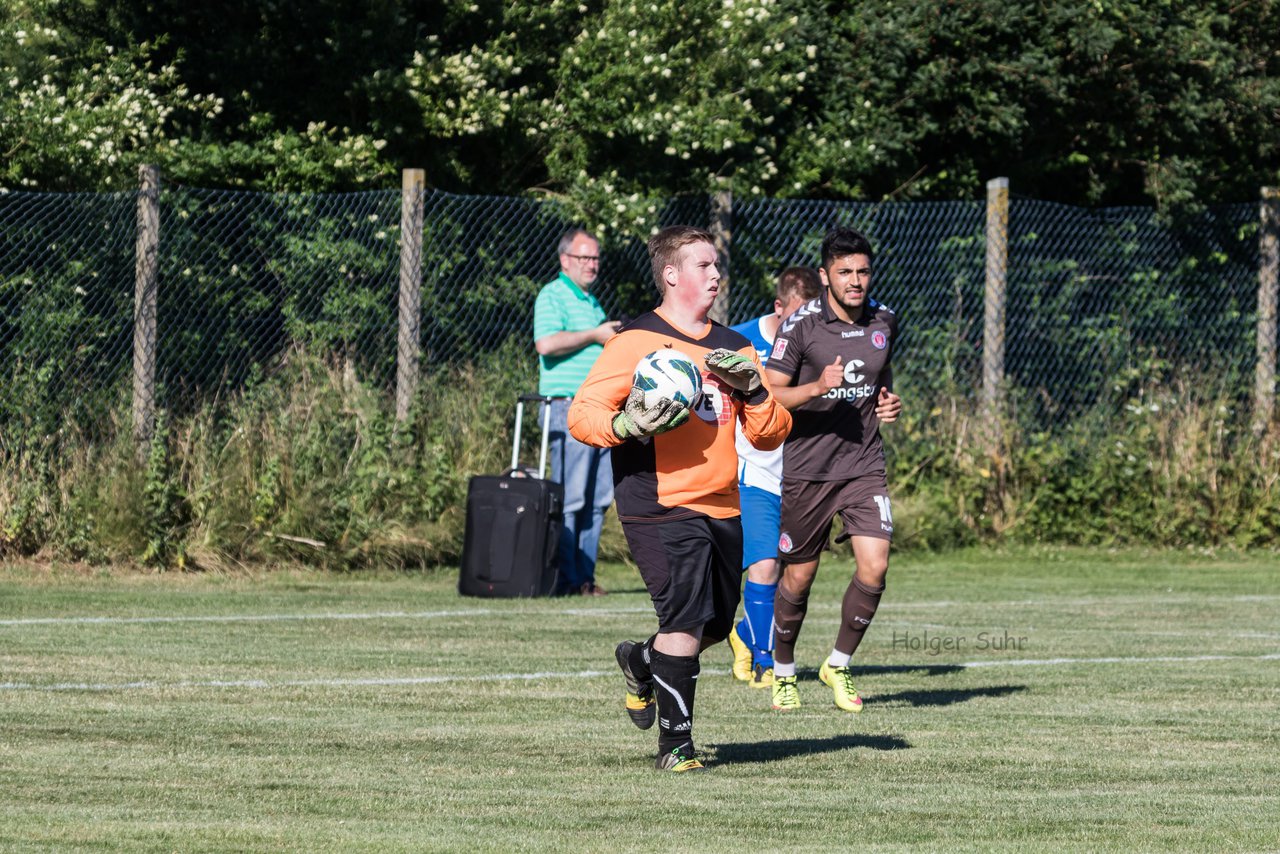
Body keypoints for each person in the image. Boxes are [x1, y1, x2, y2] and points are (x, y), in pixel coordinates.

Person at [568, 226, 792, 771]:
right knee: (686, 622)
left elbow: (771, 433)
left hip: (723, 503)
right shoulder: (635, 341)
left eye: (717, 266)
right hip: (660, 503)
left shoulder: (735, 347)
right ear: (671, 275)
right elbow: (582, 414)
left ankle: (642, 660)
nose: (716, 275)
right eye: (703, 265)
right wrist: (624, 422)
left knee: (713, 625)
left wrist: (756, 392)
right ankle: (676, 749)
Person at [762, 226, 903, 713]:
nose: (856, 281)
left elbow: (881, 376)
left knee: (876, 565)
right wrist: (817, 386)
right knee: (799, 577)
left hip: (864, 464)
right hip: (807, 469)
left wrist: (888, 402)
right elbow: (771, 393)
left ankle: (838, 663)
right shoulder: (801, 325)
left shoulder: (885, 319)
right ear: (825, 276)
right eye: (845, 272)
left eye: (863, 271)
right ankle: (783, 670)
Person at [726, 267, 824, 689]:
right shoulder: (740, 341)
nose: (805, 325)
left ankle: (745, 632)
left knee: (793, 573)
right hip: (755, 471)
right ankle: (765, 661)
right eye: (797, 316)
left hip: (802, 475)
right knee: (764, 565)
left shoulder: (822, 343)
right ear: (778, 307)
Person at [533, 228, 622, 596]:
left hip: (600, 409)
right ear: (565, 259)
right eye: (584, 258)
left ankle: (584, 577)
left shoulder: (590, 301)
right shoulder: (553, 295)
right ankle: (566, 577)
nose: (592, 265)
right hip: (569, 407)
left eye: (596, 258)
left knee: (599, 499)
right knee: (572, 498)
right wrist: (594, 335)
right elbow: (547, 343)